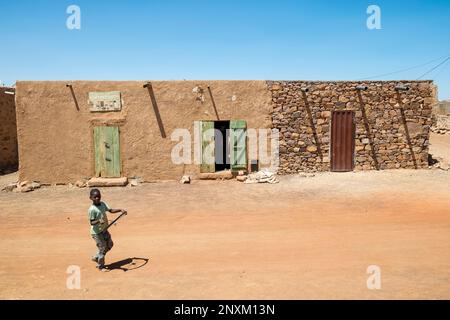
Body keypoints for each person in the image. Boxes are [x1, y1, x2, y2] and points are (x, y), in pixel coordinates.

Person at [88, 188, 127, 270]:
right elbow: (92, 222)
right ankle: (101, 266)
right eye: (95, 197)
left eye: (98, 196)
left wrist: (120, 210)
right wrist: (99, 220)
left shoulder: (102, 204)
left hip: (104, 229)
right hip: (96, 233)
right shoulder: (92, 209)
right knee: (102, 247)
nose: (97, 198)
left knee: (110, 244)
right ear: (90, 198)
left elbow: (110, 210)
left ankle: (96, 257)